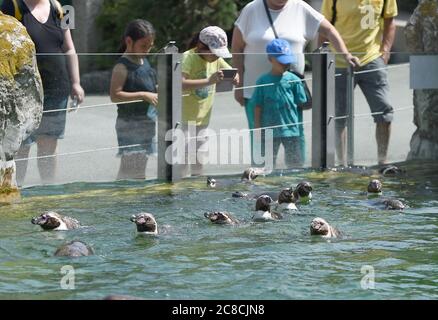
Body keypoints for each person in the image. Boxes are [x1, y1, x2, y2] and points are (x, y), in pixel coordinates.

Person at [232, 0, 359, 164]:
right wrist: (239, 83)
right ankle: (261, 179)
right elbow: (236, 48)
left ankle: (296, 179)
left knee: (293, 137)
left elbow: (329, 30)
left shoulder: (300, 7)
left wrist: (346, 54)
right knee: (262, 140)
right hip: (256, 92)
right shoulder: (251, 9)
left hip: (289, 93)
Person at [1, 0, 85, 185]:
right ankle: (17, 188)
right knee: (21, 145)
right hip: (23, 90)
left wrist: (76, 82)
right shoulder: (10, 6)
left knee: (49, 144)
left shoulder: (61, 9)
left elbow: (69, 48)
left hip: (57, 87)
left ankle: (48, 189)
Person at [320, 0, 397, 166]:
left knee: (384, 111)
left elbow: (390, 22)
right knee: (338, 117)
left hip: (372, 59)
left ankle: (382, 161)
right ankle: (342, 164)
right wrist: (323, 58)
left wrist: (385, 51)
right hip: (339, 61)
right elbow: (324, 27)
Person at [181, 26, 238, 176]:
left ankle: (196, 188)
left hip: (203, 120)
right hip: (183, 120)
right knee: (182, 160)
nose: (216, 57)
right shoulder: (189, 57)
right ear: (201, 46)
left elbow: (230, 71)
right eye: (214, 53)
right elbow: (180, 84)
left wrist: (233, 77)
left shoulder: (216, 59)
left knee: (199, 158)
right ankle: (179, 191)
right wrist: (208, 81)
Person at [110, 19, 158, 180]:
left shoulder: (144, 61)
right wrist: (143, 95)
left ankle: (138, 200)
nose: (147, 50)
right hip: (129, 125)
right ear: (129, 41)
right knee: (129, 167)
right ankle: (122, 200)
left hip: (147, 123)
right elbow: (115, 96)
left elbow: (150, 85)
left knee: (140, 168)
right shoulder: (122, 66)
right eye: (144, 46)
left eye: (150, 46)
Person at [253, 39, 308, 168]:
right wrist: (257, 128)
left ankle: (295, 185)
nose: (285, 64)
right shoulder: (263, 81)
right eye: (281, 61)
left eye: (287, 60)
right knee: (267, 164)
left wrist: (299, 127)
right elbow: (257, 106)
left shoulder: (294, 79)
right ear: (270, 59)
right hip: (269, 130)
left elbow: (301, 103)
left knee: (295, 164)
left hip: (291, 130)